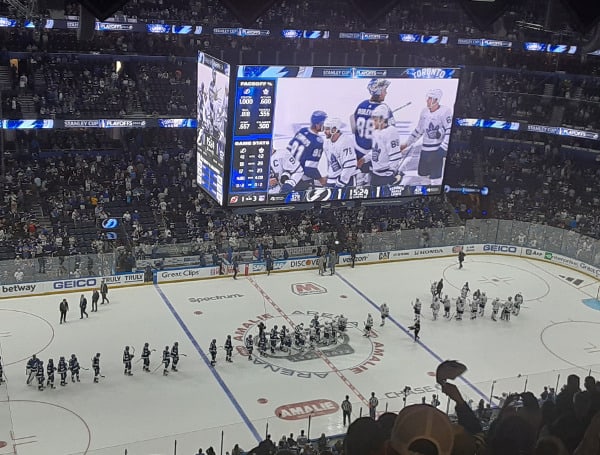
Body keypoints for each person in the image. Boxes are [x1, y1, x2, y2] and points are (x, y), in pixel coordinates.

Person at [401, 88, 453, 180]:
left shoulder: (445, 111)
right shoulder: (424, 111)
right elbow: (419, 130)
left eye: (430, 98)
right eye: (428, 98)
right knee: (422, 174)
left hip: (437, 151)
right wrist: (407, 143)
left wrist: (443, 147)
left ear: (436, 100)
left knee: (435, 178)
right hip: (425, 150)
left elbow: (449, 130)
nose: (427, 100)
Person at [350, 78, 391, 187]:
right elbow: (390, 133)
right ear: (377, 91)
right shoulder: (384, 108)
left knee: (359, 182)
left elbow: (353, 125)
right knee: (373, 184)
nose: (386, 93)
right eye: (384, 90)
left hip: (357, 150)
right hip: (372, 153)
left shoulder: (361, 104)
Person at [279, 110, 328, 193]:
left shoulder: (302, 130)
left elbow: (287, 151)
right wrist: (321, 179)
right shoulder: (318, 141)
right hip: (301, 179)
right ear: (318, 124)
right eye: (323, 123)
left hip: (287, 173)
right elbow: (309, 168)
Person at [361, 104, 404, 187]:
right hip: (375, 174)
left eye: (375, 120)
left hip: (386, 175)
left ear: (382, 120)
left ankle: (399, 176)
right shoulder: (376, 132)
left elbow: (395, 156)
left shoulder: (391, 131)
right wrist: (364, 159)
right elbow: (375, 151)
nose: (373, 122)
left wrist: (390, 174)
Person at [323, 117, 357, 188]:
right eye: (324, 128)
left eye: (327, 129)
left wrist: (341, 182)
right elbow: (330, 163)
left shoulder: (345, 141)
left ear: (334, 129)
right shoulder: (326, 142)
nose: (324, 131)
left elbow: (350, 165)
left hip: (346, 181)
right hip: (331, 180)